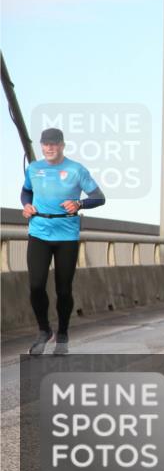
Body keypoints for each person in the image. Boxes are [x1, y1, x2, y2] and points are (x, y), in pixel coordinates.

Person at [22, 127, 106, 355]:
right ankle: (43, 330)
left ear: (62, 145)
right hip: (39, 231)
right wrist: (26, 205)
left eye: (54, 144)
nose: (49, 148)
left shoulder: (76, 170)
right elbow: (26, 192)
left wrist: (79, 204)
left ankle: (63, 333)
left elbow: (99, 197)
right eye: (45, 144)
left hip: (67, 235)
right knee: (36, 285)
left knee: (63, 289)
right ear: (41, 146)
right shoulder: (34, 169)